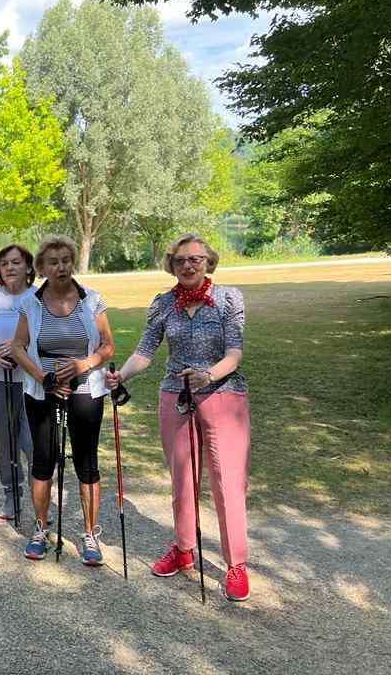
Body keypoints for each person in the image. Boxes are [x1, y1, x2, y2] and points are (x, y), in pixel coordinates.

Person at [106, 234, 251, 601]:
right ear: (171, 265)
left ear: (208, 262)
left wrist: (208, 375)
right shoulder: (162, 304)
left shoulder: (228, 298)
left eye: (196, 258)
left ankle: (236, 564)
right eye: (181, 260)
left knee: (228, 481)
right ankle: (184, 549)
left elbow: (234, 353)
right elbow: (145, 350)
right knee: (182, 479)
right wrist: (121, 375)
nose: (188, 265)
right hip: (176, 395)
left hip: (224, 395)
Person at [10, 236, 114, 564]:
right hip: (43, 389)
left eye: (66, 260)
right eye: (53, 262)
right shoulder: (31, 303)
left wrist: (84, 364)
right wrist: (44, 377)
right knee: (43, 460)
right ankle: (40, 528)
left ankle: (90, 533)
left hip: (85, 389)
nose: (61, 267)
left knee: (87, 461)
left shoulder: (91, 299)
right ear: (41, 268)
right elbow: (17, 347)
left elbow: (108, 346)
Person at [0, 244, 36, 521]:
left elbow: (48, 336)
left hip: (32, 383)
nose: (10, 268)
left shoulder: (38, 297)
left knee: (32, 443)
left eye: (16, 262)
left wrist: (19, 348)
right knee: (5, 443)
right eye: (4, 264)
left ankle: (39, 496)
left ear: (28, 267)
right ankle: (12, 494)